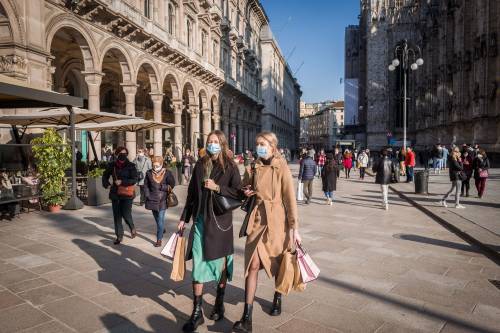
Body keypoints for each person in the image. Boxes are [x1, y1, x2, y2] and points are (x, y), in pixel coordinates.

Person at [233, 131, 301, 333]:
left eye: (262, 144)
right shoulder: (253, 166)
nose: (259, 147)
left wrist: (294, 228)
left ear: (273, 146)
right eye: (257, 144)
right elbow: (243, 186)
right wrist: (245, 190)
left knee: (279, 262)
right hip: (256, 221)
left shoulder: (282, 167)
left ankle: (277, 296)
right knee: (252, 265)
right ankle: (247, 317)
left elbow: (290, 199)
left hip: (278, 222)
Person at [177, 130, 242, 332]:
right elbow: (191, 194)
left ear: (222, 144)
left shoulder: (230, 166)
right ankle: (196, 313)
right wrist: (183, 218)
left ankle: (219, 303)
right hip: (200, 221)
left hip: (220, 223)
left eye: (216, 141)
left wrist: (218, 188)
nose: (212, 144)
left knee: (220, 264)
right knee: (198, 264)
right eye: (209, 141)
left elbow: (239, 193)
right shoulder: (199, 164)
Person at [102, 147, 138, 245]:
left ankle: (132, 227)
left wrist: (122, 181)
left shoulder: (131, 165)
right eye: (121, 153)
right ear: (117, 154)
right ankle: (119, 236)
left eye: (125, 153)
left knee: (126, 214)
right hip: (115, 193)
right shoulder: (112, 165)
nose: (123, 155)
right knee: (117, 216)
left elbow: (134, 179)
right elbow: (105, 176)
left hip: (127, 193)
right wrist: (107, 184)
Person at [144, 156, 176, 247]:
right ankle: (162, 229)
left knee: (160, 219)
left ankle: (159, 239)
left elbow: (172, 184)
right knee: (157, 218)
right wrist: (147, 195)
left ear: (161, 164)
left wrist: (163, 187)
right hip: (152, 199)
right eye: (154, 166)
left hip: (163, 199)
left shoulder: (167, 173)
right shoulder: (149, 173)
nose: (155, 168)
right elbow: (146, 185)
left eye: (157, 166)